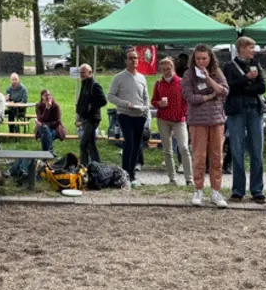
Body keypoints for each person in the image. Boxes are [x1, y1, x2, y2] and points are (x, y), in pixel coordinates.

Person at [182, 45, 230, 207]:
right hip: (197, 122)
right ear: (193, 59)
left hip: (216, 121)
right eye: (198, 58)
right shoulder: (189, 74)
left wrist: (209, 79)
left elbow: (224, 91)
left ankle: (216, 192)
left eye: (204, 58)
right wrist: (210, 95)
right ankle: (198, 190)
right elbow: (190, 97)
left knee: (217, 157)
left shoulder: (217, 73)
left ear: (210, 59)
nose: (201, 62)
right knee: (199, 157)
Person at [222, 36, 266, 203]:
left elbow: (262, 86)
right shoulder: (229, 67)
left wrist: (244, 87)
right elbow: (228, 87)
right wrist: (246, 79)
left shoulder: (257, 65)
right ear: (241, 48)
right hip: (236, 111)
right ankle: (238, 189)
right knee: (237, 150)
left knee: (257, 150)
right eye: (250, 48)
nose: (253, 51)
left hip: (254, 109)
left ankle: (257, 189)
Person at [108, 48, 150, 186]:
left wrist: (145, 110)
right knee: (129, 143)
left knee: (137, 146)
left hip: (140, 115)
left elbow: (145, 97)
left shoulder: (142, 77)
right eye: (131, 58)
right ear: (126, 60)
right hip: (125, 114)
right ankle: (125, 173)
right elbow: (110, 96)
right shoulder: (118, 77)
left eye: (136, 58)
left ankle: (132, 174)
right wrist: (125, 104)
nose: (134, 60)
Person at [152, 57, 192, 187]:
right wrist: (159, 103)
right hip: (163, 119)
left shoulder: (181, 82)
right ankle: (172, 179)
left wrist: (181, 117)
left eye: (168, 68)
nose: (166, 71)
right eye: (163, 69)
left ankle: (189, 179)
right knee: (167, 150)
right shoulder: (158, 84)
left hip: (179, 121)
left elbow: (186, 102)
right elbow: (153, 101)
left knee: (184, 148)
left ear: (173, 68)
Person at [74, 64, 107, 164]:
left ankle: (84, 167)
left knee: (83, 145)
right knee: (91, 145)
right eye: (80, 73)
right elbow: (81, 101)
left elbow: (103, 100)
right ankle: (97, 167)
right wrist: (79, 116)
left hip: (92, 119)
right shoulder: (84, 84)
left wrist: (90, 107)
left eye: (83, 72)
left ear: (90, 73)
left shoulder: (94, 85)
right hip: (85, 119)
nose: (81, 75)